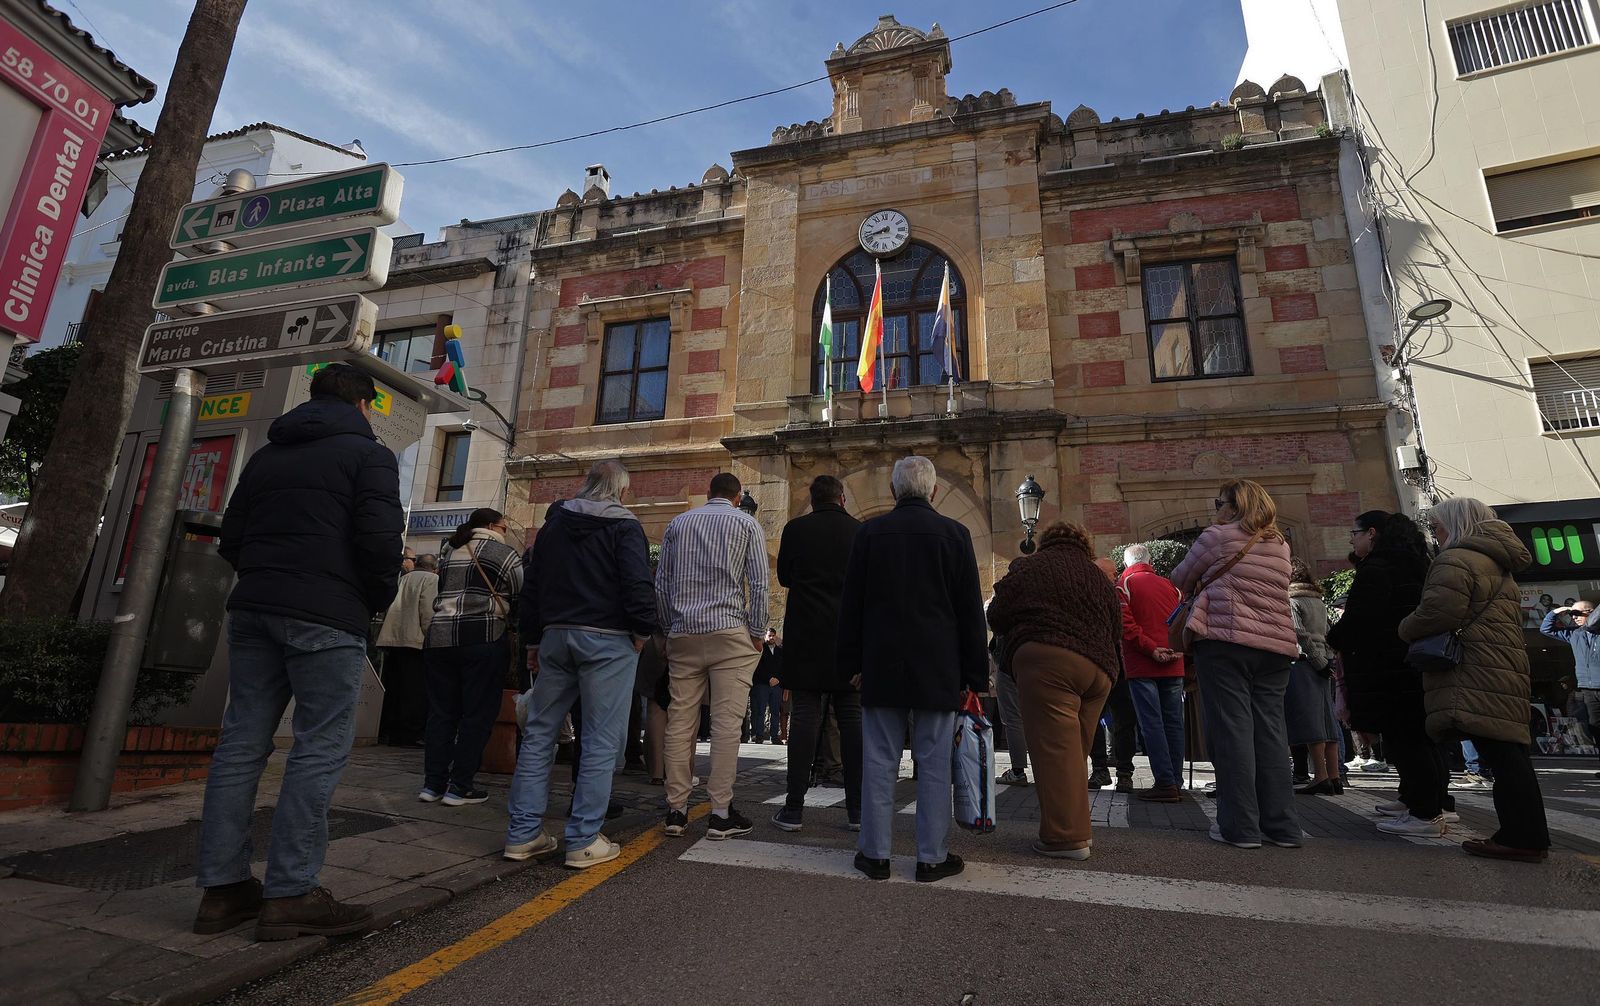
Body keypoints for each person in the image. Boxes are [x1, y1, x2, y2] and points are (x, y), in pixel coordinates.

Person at [195, 363, 402, 941]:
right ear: (364, 405)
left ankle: (222, 891)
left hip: (254, 607)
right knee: (317, 749)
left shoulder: (267, 455)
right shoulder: (369, 457)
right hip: (328, 615)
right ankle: (290, 893)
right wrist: (370, 598)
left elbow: (230, 537)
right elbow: (382, 543)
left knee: (240, 745)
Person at [503, 460, 656, 868]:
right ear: (622, 492)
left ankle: (522, 834)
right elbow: (637, 583)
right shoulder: (625, 527)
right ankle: (583, 838)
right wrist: (642, 630)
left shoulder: (554, 524)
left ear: (585, 485)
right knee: (601, 741)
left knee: (539, 735)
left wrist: (534, 638)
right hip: (607, 639)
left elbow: (532, 584)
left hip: (556, 635)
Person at [841, 456, 986, 882]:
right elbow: (969, 614)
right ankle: (931, 857)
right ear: (934, 491)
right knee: (935, 762)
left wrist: (850, 663)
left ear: (892, 491)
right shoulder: (956, 535)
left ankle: (875, 854)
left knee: (879, 759)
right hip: (938, 667)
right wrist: (975, 676)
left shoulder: (868, 533)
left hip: (880, 663)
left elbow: (852, 607)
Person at [1400, 498, 1551, 863]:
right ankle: (1525, 834)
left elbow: (1437, 613)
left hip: (1474, 668)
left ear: (1455, 524)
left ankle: (1520, 837)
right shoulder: (1499, 563)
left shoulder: (1455, 559)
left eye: (1437, 527)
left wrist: (1403, 627)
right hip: (1503, 665)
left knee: (1500, 755)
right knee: (1509, 752)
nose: (1435, 536)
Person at [1171, 479, 1300, 850]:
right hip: (1275, 646)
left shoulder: (1217, 536)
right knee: (1272, 735)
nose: (1216, 509)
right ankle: (1283, 827)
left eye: (1219, 502)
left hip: (1226, 642)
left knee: (1232, 734)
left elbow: (1179, 578)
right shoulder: (1279, 545)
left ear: (1233, 505)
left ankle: (1240, 827)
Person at [989, 522, 1124, 860]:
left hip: (1050, 661)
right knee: (1072, 753)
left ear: (1047, 542)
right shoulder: (1099, 577)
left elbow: (997, 614)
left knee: (1054, 753)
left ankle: (1065, 838)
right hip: (1100, 672)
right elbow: (1116, 627)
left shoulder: (1031, 567)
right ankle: (1080, 830)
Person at [657, 473, 770, 840]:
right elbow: (759, 582)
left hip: (685, 631)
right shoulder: (746, 524)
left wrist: (668, 624)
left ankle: (676, 809)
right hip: (728, 632)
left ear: (709, 494)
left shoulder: (679, 523)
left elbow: (662, 582)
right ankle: (720, 812)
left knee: (680, 720)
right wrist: (756, 632)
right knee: (725, 726)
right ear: (737, 497)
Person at [1327, 511, 1450, 832]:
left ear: (1372, 533)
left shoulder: (1378, 569)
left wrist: (1334, 637)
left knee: (1406, 737)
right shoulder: (1415, 564)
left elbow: (1359, 619)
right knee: (1417, 736)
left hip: (1389, 667)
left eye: (1354, 533)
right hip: (1410, 664)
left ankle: (1425, 812)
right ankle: (1426, 799)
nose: (1351, 539)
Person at [771, 475, 862, 832]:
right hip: (846, 637)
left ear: (812, 499)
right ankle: (856, 810)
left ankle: (793, 808)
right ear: (842, 498)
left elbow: (784, 578)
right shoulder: (859, 531)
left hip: (806, 635)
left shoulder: (796, 529)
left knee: (805, 719)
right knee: (852, 720)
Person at [421, 508, 522, 807]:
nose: (505, 531)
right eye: (505, 526)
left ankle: (432, 784)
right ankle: (460, 786)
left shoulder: (449, 551)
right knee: (477, 714)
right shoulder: (503, 553)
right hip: (483, 637)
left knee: (441, 713)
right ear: (493, 526)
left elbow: (442, 589)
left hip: (439, 638)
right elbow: (519, 593)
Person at [1117, 545, 1186, 802]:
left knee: (1152, 725)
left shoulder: (1124, 584)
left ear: (1126, 563)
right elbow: (1183, 621)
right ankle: (1175, 781)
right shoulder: (1171, 587)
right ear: (1150, 560)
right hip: (1173, 661)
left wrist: (1151, 649)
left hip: (1143, 663)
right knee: (1173, 724)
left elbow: (1126, 626)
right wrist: (1177, 651)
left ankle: (1166, 782)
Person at [1285, 558, 1340, 795]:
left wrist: (1317, 662)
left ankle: (1320, 775)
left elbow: (1299, 634)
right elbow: (1327, 632)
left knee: (1311, 721)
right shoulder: (1317, 600)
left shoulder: (1292, 599)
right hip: (1325, 660)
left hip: (1306, 662)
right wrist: (1326, 660)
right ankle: (1335, 776)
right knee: (1328, 719)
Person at [376, 553, 438, 746]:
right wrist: (431, 636)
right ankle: (409, 734)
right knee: (414, 690)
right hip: (416, 641)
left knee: (394, 687)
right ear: (434, 567)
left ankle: (387, 730)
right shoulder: (432, 580)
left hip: (394, 639)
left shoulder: (403, 578)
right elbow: (428, 610)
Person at [1539, 599, 1600, 779]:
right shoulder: (1574, 634)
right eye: (1572, 615)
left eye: (1578, 614)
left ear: (1591, 612)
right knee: (1595, 727)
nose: (1574, 618)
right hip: (1587, 688)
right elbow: (1546, 629)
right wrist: (1559, 611)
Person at [990, 627, 1030, 786]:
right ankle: (1044, 769)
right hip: (1036, 660)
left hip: (1010, 659)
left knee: (1013, 718)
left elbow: (994, 618)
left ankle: (1018, 770)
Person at [751, 629, 785, 743]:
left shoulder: (780, 651)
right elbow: (758, 667)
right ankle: (758, 735)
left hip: (776, 685)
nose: (772, 638)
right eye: (770, 635)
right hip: (762, 684)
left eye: (774, 636)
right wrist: (769, 679)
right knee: (760, 710)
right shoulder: (760, 649)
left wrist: (778, 679)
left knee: (775, 711)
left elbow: (783, 667)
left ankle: (774, 736)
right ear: (765, 636)